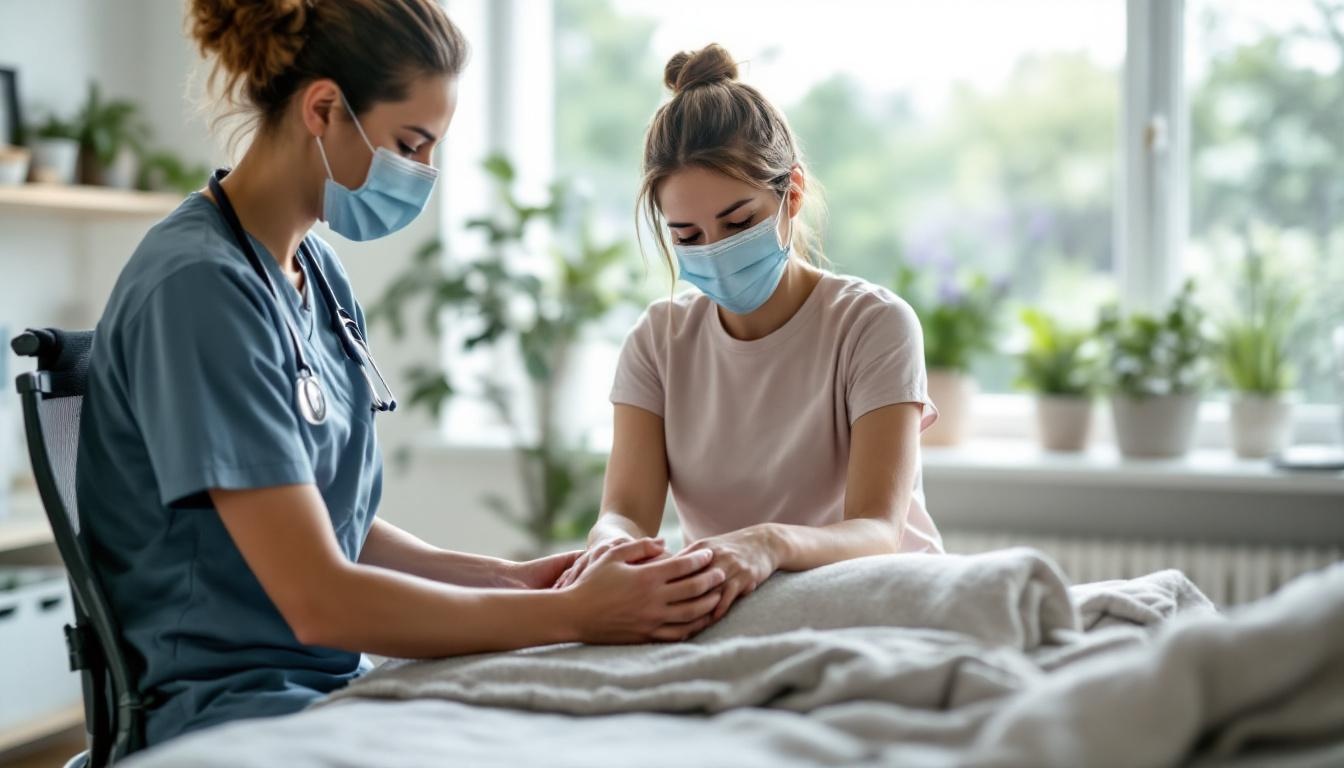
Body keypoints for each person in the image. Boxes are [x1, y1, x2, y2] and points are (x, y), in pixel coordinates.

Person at [76, 0, 721, 746]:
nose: (422, 175)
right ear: (324, 108)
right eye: (410, 145)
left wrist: (522, 580)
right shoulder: (198, 290)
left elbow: (326, 519)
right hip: (233, 708)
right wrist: (574, 616)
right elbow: (319, 597)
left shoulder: (313, 270)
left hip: (329, 683)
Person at [555, 44, 944, 621]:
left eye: (739, 223)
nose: (714, 250)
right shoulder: (658, 341)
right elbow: (626, 513)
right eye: (687, 236)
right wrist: (612, 545)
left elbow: (877, 531)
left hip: (886, 606)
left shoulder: (873, 326)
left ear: (792, 194)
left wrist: (768, 543)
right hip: (744, 613)